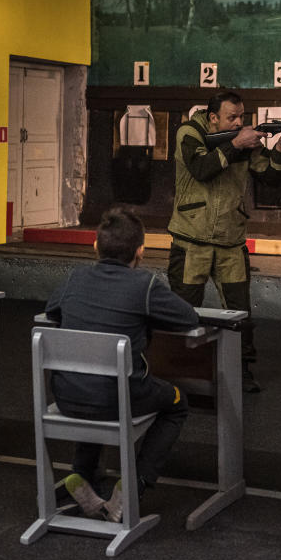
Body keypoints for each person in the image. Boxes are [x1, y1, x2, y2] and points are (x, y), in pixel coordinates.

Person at [45, 207, 199, 522]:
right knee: (177, 403)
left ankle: (82, 475)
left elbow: (51, 310)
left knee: (91, 380)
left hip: (66, 397)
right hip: (117, 398)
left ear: (95, 247)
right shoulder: (143, 285)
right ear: (140, 251)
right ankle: (133, 487)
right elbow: (188, 317)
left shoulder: (75, 277)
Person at [167, 90, 281, 393]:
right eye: (232, 117)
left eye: (241, 116)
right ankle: (180, 370)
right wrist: (235, 143)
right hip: (192, 239)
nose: (239, 122)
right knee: (183, 309)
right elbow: (201, 169)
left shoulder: (240, 137)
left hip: (230, 239)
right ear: (213, 117)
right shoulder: (189, 132)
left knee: (239, 313)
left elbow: (270, 177)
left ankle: (240, 371)